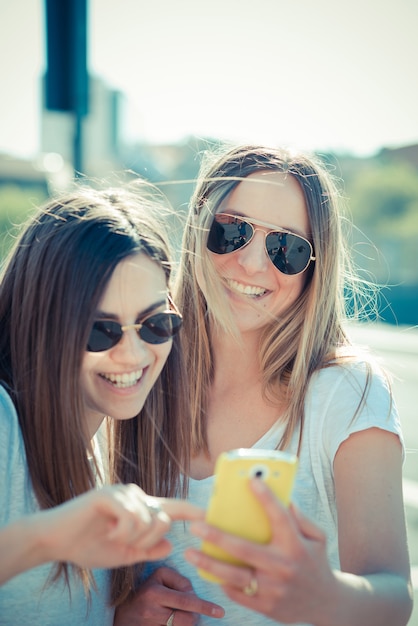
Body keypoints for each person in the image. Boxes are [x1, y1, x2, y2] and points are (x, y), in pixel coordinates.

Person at [115, 145, 413, 626]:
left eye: (287, 248)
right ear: (198, 230)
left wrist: (324, 594)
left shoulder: (347, 392)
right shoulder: (142, 370)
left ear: (314, 268)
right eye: (232, 230)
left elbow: (394, 598)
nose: (253, 263)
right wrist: (123, 611)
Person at [0, 184, 223, 625]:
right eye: (99, 330)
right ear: (40, 323)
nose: (135, 355)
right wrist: (47, 539)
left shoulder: (107, 444)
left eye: (155, 324)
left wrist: (119, 618)